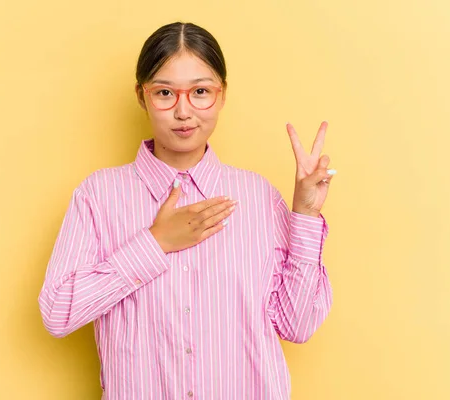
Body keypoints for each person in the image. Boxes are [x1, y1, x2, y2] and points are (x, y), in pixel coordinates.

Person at [38, 21, 335, 400]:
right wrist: (154, 244)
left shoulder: (258, 197)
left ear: (222, 94)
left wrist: (305, 215)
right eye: (165, 92)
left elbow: (299, 324)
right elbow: (58, 313)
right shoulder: (99, 196)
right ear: (141, 96)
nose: (183, 111)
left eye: (200, 92)